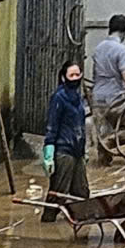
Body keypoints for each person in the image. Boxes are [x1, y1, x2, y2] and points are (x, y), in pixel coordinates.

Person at [42, 61, 91, 220]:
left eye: (78, 75)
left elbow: (81, 126)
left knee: (82, 192)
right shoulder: (58, 98)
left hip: (78, 152)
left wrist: (85, 150)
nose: (75, 78)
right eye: (72, 75)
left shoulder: (78, 98)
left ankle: (79, 224)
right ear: (64, 78)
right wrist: (49, 152)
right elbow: (52, 125)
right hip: (64, 151)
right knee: (58, 192)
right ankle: (47, 222)